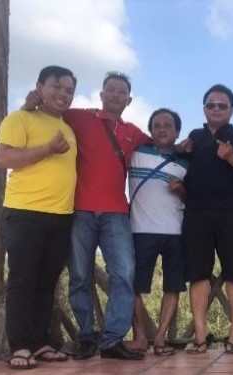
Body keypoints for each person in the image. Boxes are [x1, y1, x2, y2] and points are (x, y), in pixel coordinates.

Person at [23, 72, 149, 360]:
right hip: (79, 210)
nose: (116, 96)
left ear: (129, 100)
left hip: (117, 213)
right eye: (111, 90)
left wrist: (183, 148)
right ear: (101, 93)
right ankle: (86, 336)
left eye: (122, 93)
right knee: (79, 275)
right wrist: (31, 103)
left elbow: (161, 143)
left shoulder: (134, 133)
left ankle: (113, 339)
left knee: (125, 274)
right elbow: (45, 113)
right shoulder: (77, 117)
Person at [0, 66, 77, 369]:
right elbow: (2, 158)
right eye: (57, 86)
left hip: (61, 215)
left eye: (69, 90)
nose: (63, 94)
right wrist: (46, 149)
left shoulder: (67, 126)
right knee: (22, 279)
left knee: (46, 282)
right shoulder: (20, 118)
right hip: (25, 212)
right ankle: (19, 346)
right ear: (39, 87)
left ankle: (40, 341)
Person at [183, 84, 233, 354]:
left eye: (222, 105)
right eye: (211, 104)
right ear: (204, 108)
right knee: (198, 274)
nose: (216, 109)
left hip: (232, 214)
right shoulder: (192, 137)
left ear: (231, 110)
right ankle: (200, 335)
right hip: (195, 214)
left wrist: (231, 158)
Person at [126, 108, 189, 356]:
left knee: (172, 286)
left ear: (177, 131)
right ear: (150, 129)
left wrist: (181, 190)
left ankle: (161, 337)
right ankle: (140, 336)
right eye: (157, 125)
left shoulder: (187, 161)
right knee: (133, 286)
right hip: (141, 229)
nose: (162, 129)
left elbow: (191, 197)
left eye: (168, 125)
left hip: (176, 230)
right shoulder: (137, 152)